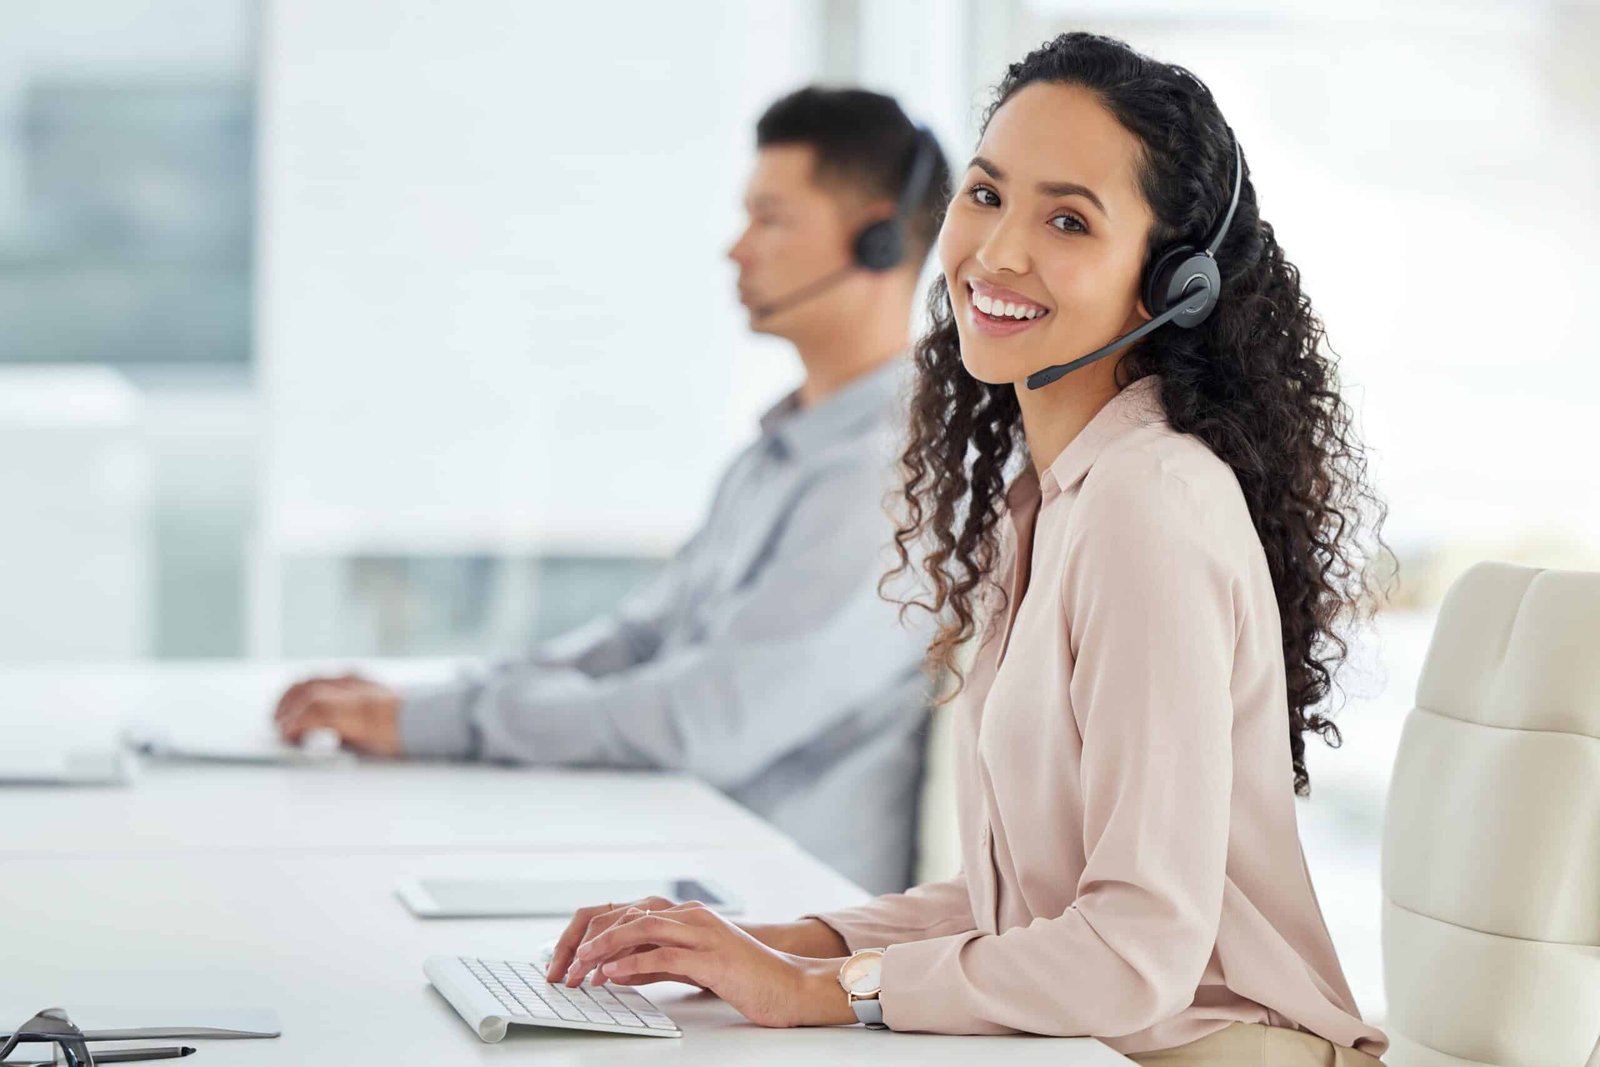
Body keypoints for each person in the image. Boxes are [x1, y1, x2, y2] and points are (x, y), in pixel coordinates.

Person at [541, 32, 1394, 1067]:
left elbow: (1136, 951)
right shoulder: (1049, 498)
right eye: (986, 194)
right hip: (1093, 1041)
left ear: (1170, 283)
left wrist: (821, 989)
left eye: (1068, 219)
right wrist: (766, 946)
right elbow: (1017, 902)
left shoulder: (1148, 508)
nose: (995, 251)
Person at [272, 87, 953, 896]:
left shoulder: (886, 477)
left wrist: (435, 724)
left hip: (772, 911)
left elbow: (703, 720)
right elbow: (636, 641)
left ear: (876, 240)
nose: (737, 249)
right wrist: (431, 706)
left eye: (771, 218)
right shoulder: (781, 449)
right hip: (669, 858)